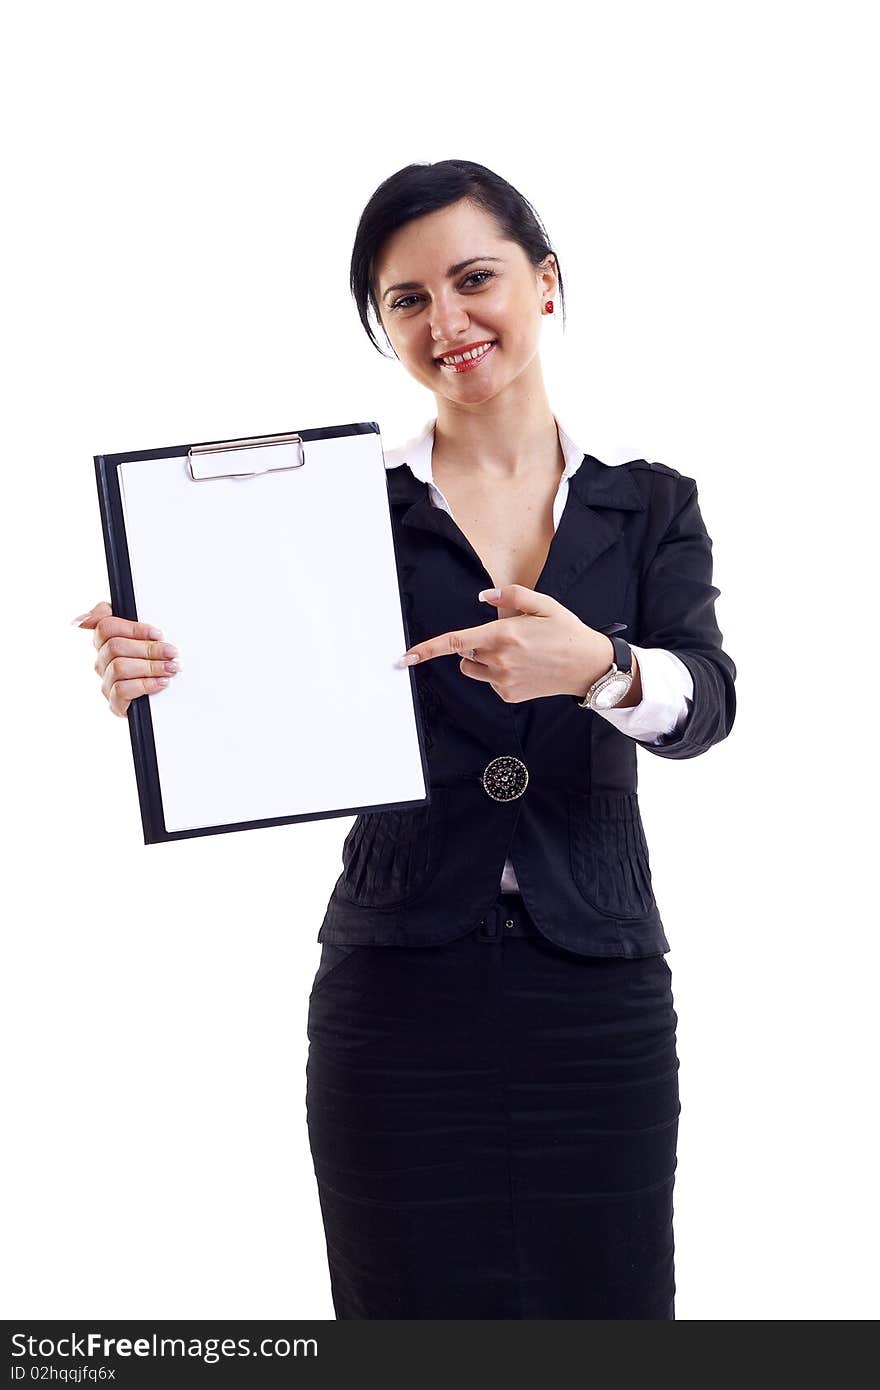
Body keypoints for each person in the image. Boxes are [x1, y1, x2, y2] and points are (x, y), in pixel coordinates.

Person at [73, 159, 737, 1319]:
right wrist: (157, 676)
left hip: (600, 988)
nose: (447, 320)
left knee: (615, 1311)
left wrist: (601, 668)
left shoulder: (651, 502)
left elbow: (707, 702)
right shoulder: (334, 506)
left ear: (544, 282)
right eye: (407, 300)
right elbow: (248, 674)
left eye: (473, 279)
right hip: (395, 988)